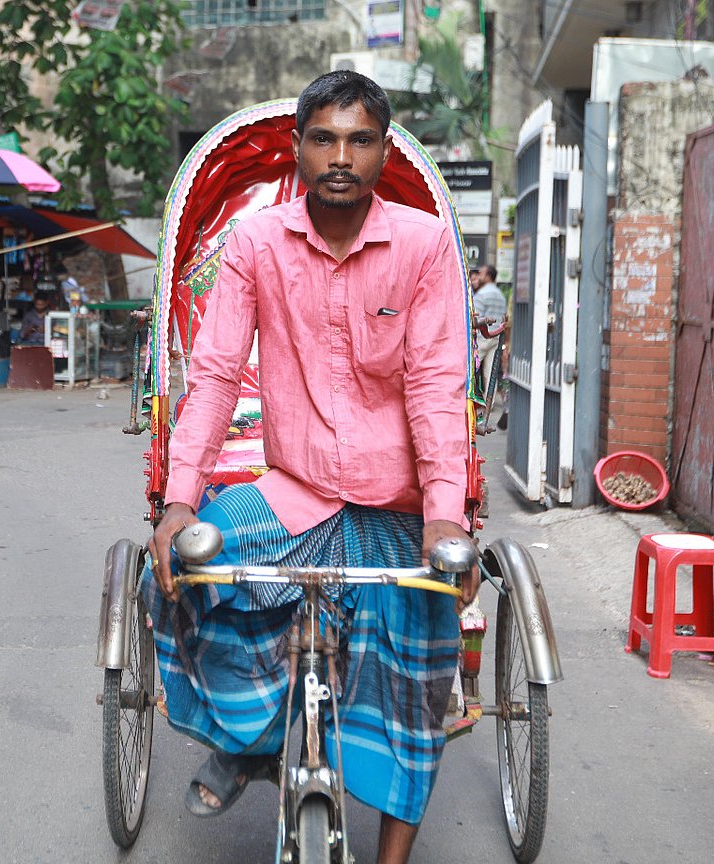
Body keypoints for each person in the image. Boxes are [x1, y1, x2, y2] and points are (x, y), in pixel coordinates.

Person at [142, 71, 477, 864]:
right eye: (323, 138)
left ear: (382, 153)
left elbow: (436, 385)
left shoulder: (425, 245)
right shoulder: (258, 242)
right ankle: (254, 738)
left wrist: (444, 516)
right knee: (189, 574)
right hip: (295, 497)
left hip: (396, 509)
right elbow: (219, 371)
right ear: (297, 151)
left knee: (416, 679)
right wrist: (180, 501)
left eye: (359, 140)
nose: (340, 156)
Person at [472, 264, 507, 397]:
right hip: (496, 337)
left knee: (469, 368)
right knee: (490, 374)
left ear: (488, 277)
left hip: (482, 337)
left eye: (481, 274)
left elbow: (475, 317)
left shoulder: (482, 294)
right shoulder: (500, 295)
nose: (479, 276)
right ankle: (488, 405)